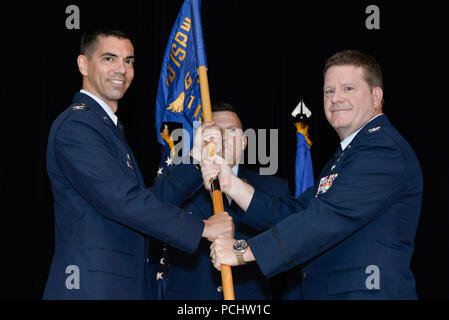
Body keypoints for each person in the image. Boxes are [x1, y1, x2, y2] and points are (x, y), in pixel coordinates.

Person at [205, 50, 423, 299]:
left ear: (376, 96)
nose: (336, 98)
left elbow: (325, 219)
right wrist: (230, 183)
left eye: (348, 88)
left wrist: (243, 250)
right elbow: (297, 213)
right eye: (329, 91)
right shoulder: (345, 156)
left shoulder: (383, 149)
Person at [44, 28, 233, 299]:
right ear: (83, 64)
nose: (121, 69)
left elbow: (147, 200)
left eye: (128, 61)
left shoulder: (107, 126)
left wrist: (194, 160)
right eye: (109, 58)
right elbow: (123, 201)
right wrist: (203, 228)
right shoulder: (77, 125)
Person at [157, 102, 295, 299]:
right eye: (215, 130)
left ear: (245, 142)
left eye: (231, 130)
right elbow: (151, 212)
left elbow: (292, 240)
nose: (222, 136)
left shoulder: (274, 189)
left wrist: (239, 250)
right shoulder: (181, 184)